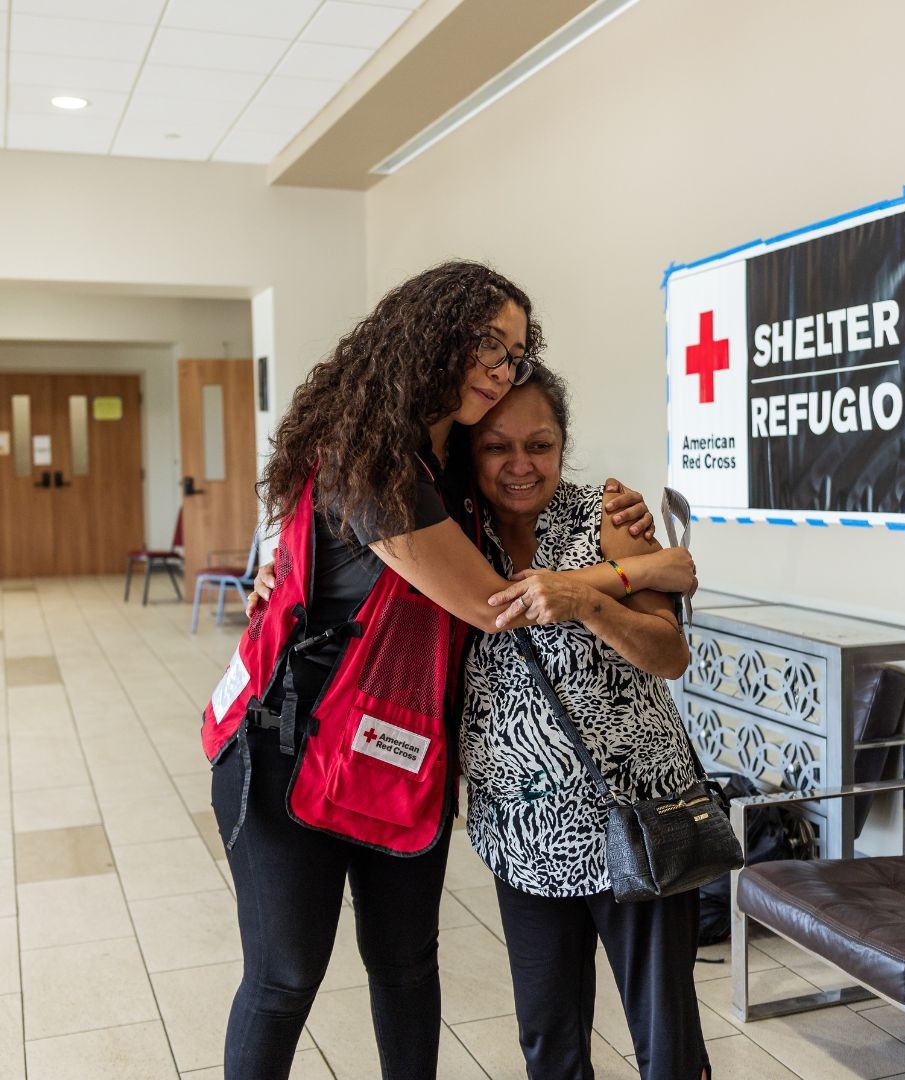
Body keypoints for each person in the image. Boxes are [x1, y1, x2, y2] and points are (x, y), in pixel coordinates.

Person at [208, 259, 694, 1080]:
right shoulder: (374, 460)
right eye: (488, 344)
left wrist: (631, 544)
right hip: (291, 749)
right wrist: (645, 570)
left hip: (402, 756)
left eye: (515, 354)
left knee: (406, 967)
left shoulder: (456, 470)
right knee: (285, 978)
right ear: (430, 335)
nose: (500, 368)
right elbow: (491, 603)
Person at [459, 366, 711, 1080]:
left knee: (666, 1040)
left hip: (639, 814)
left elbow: (669, 654)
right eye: (497, 447)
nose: (520, 464)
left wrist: (585, 602)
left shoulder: (607, 518)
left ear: (562, 445)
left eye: (539, 445)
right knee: (549, 1040)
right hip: (520, 829)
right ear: (470, 451)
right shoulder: (454, 536)